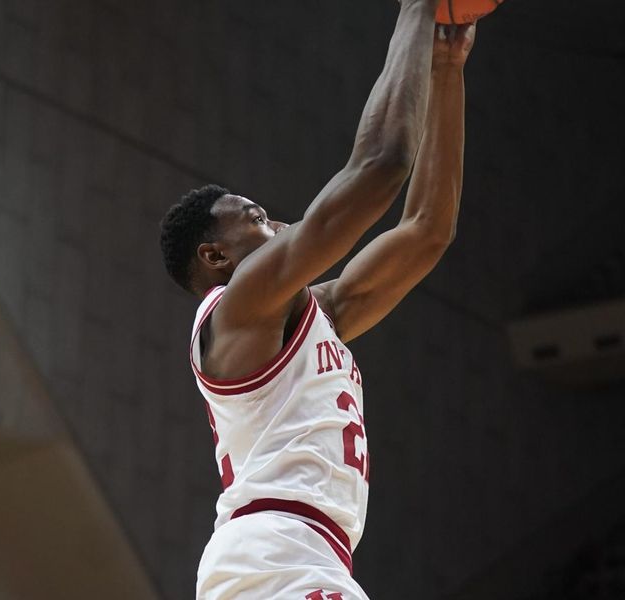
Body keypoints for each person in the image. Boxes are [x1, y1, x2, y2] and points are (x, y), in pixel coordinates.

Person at [159, 0, 475, 597]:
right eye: (255, 218)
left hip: (307, 558)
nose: (277, 224)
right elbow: (380, 166)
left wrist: (446, 66)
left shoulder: (315, 316)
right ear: (214, 257)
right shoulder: (238, 308)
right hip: (274, 553)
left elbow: (428, 230)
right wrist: (418, 9)